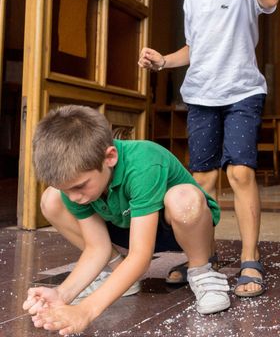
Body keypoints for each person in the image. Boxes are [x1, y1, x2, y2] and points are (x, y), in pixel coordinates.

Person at [138, 0, 279, 297]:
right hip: (201, 94)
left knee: (240, 173)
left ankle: (251, 258)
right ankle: (203, 258)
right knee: (201, 179)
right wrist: (165, 60)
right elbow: (193, 48)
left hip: (242, 90)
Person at [22, 105, 230, 336]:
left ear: (109, 157)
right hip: (128, 225)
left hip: (180, 227)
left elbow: (141, 256)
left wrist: (86, 311)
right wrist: (63, 294)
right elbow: (96, 248)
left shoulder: (144, 162)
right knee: (51, 198)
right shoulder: (73, 187)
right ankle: (120, 274)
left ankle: (202, 271)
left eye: (80, 186)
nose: (75, 198)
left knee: (183, 198)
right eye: (67, 190)